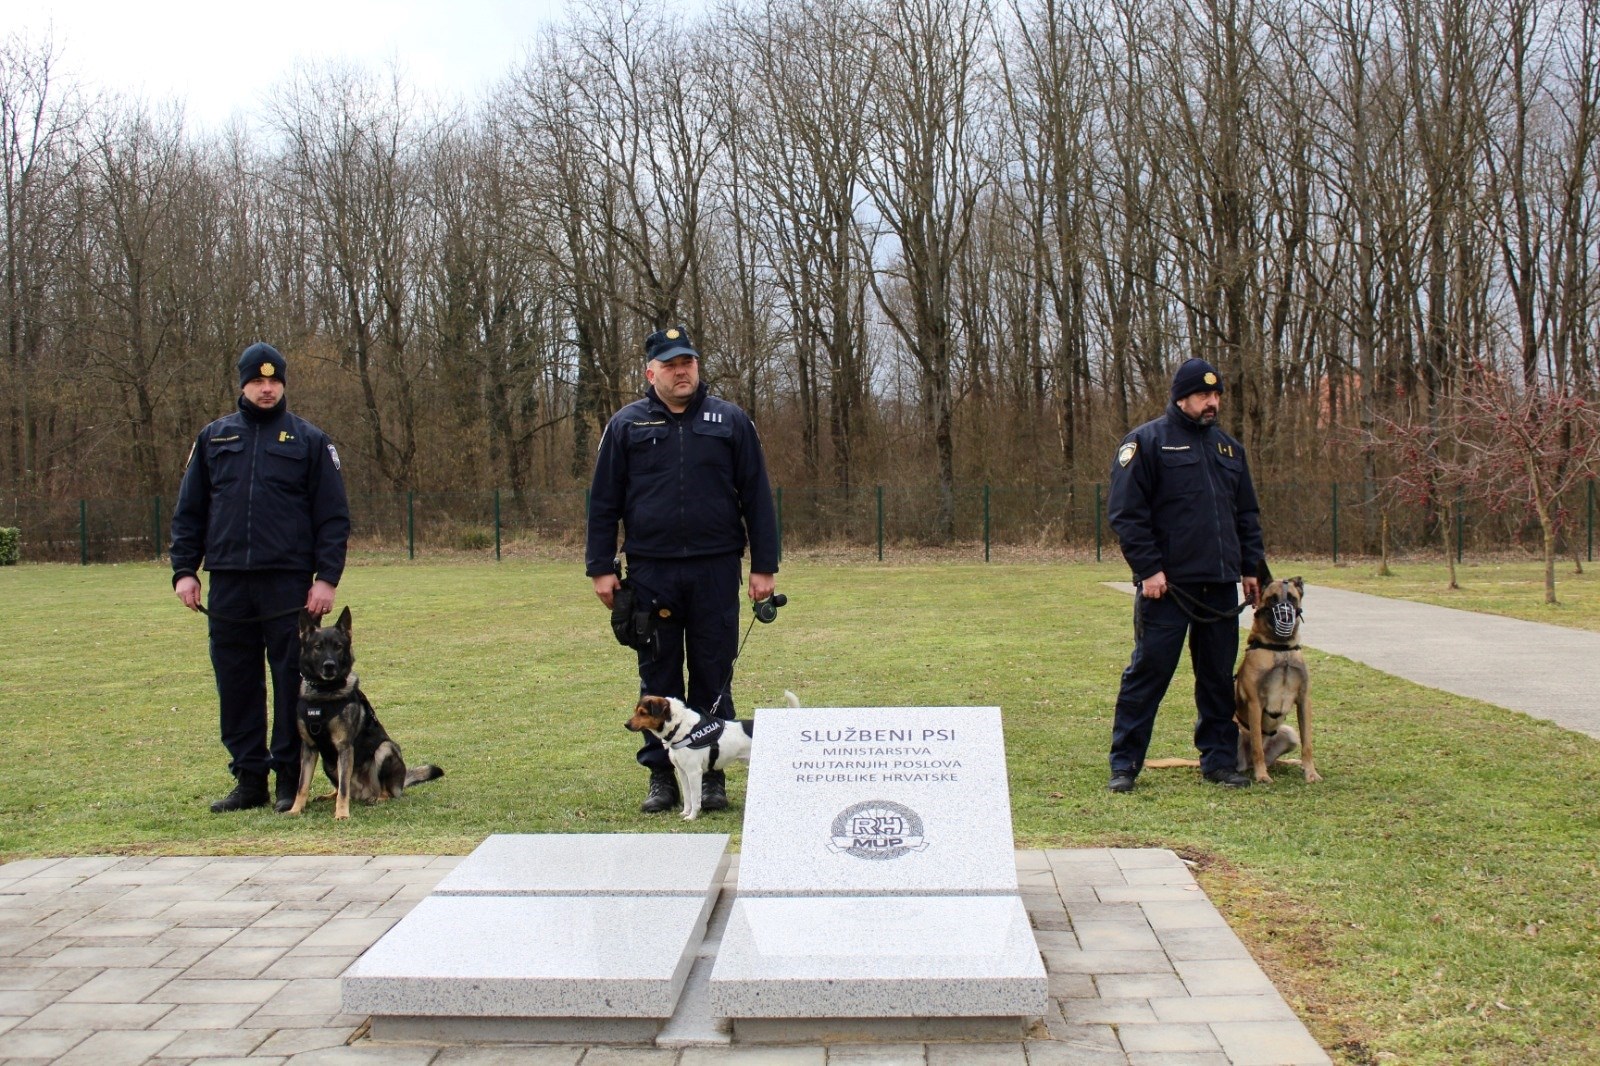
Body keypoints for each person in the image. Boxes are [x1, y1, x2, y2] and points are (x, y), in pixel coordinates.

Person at [586, 325, 780, 814]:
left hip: (716, 568)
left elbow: (757, 496)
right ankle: (662, 776)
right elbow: (603, 501)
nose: (681, 371)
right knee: (659, 675)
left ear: (697, 367)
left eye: (687, 362)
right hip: (652, 571)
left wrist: (764, 566)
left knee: (715, 673)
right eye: (670, 365)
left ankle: (712, 775)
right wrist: (600, 567)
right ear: (652, 372)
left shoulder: (730, 420)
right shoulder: (627, 424)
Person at [170, 342, 351, 814]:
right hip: (228, 582)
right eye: (257, 381)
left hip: (289, 585)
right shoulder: (213, 439)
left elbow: (332, 518)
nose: (266, 389)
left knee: (292, 680)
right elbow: (189, 513)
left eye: (274, 381)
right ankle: (249, 778)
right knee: (236, 681)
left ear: (283, 384)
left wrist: (326, 578)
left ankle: (291, 778)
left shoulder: (310, 441)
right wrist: (185, 571)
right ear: (243, 384)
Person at [1106, 357, 1265, 792]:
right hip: (1168, 588)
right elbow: (1127, 514)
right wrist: (1148, 569)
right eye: (1202, 395)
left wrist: (1251, 569)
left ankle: (1218, 761)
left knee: (1216, 678)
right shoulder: (1146, 442)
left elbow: (1246, 515)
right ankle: (1124, 764)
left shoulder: (1229, 450)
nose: (1211, 402)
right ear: (1181, 397)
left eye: (1216, 395)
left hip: (1218, 586)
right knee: (1148, 674)